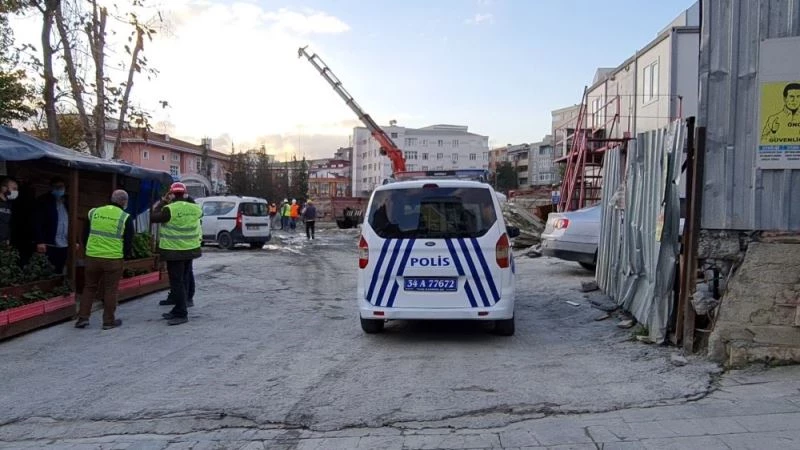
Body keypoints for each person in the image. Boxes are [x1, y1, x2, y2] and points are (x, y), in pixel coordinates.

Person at [75, 190, 134, 330]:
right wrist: (124, 256)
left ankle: (82, 318)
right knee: (110, 290)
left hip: (92, 257)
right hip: (113, 258)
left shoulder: (94, 212)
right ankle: (108, 321)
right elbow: (128, 241)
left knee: (89, 287)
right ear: (124, 202)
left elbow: (84, 235)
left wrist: (89, 251)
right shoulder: (125, 217)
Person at [151, 182, 202, 326]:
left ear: (172, 194)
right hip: (190, 250)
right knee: (184, 278)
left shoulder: (169, 209)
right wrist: (188, 198)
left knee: (176, 282)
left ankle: (181, 312)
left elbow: (153, 217)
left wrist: (163, 201)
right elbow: (198, 211)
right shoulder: (195, 208)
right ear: (185, 193)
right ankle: (179, 307)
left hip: (174, 251)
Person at [159, 195, 197, 308]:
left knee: (183, 276)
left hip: (182, 246)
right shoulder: (193, 211)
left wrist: (163, 202)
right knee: (184, 275)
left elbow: (155, 216)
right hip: (188, 245)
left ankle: (186, 299)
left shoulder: (184, 211)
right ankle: (181, 298)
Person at [33, 177, 70, 274]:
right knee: (46, 270)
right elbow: (37, 222)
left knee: (59, 270)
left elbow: (72, 221)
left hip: (64, 243)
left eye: (61, 187)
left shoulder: (67, 201)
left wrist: (75, 240)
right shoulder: (43, 201)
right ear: (51, 188)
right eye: (56, 187)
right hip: (49, 243)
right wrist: (40, 241)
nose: (59, 189)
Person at [0, 177, 19, 245]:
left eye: (17, 189)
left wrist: (8, 238)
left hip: (4, 242)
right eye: (14, 189)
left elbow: (7, 224)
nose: (16, 191)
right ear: (4, 188)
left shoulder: (10, 204)